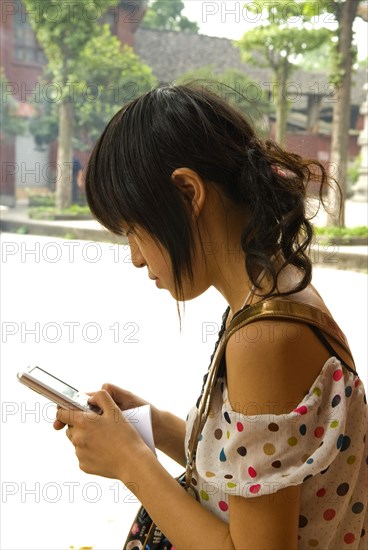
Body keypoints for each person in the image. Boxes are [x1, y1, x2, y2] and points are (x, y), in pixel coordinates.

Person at [54, 84, 367, 549]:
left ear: (187, 192)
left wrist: (131, 465)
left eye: (134, 231)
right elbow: (252, 477)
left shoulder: (265, 338)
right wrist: (151, 425)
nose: (136, 258)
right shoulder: (271, 294)